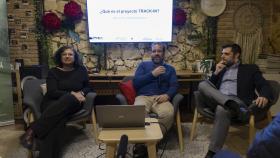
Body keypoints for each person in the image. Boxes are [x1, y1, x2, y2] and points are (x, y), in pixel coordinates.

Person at [196, 43, 273, 158]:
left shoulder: (250, 69)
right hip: (218, 100)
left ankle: (212, 152)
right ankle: (229, 103)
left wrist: (264, 95)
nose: (222, 56)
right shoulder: (220, 69)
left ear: (237, 55)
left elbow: (264, 85)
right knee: (203, 84)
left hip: (238, 101)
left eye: (226, 54)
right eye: (222, 54)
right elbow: (210, 88)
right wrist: (216, 73)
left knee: (222, 109)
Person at [20, 46, 93, 158]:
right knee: (58, 121)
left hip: (74, 103)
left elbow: (88, 87)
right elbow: (52, 92)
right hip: (52, 102)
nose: (67, 56)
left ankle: (32, 130)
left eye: (70, 54)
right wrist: (72, 93)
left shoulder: (81, 70)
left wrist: (81, 93)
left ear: (75, 57)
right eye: (64, 54)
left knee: (70, 99)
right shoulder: (53, 72)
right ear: (60, 57)